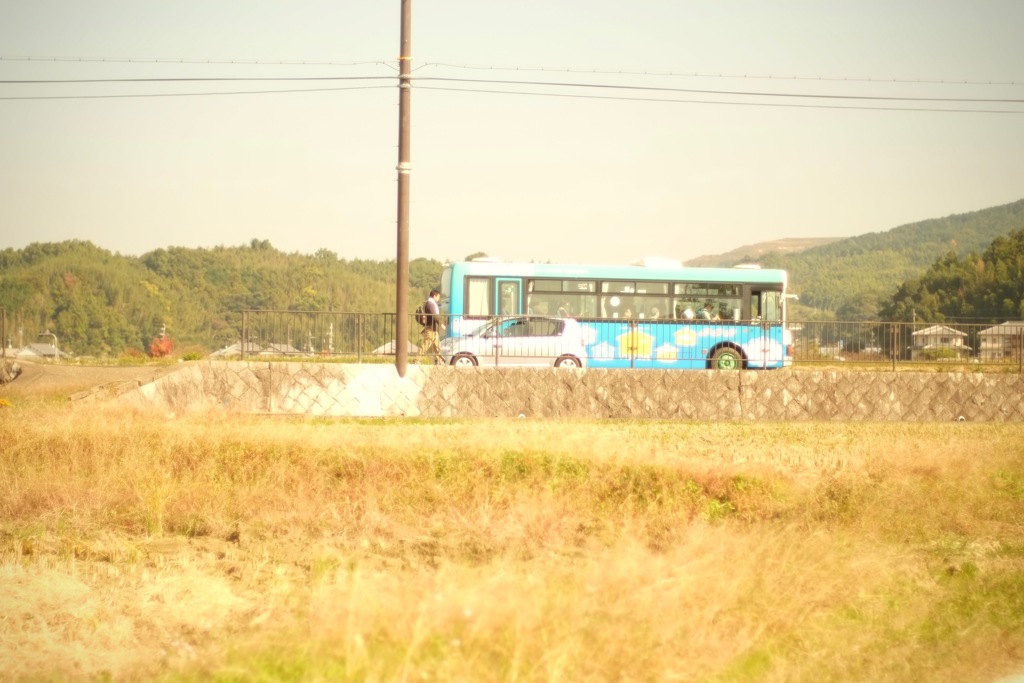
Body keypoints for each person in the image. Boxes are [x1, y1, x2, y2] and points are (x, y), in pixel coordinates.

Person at [417, 289, 444, 365]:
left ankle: (440, 361)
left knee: (437, 345)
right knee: (427, 344)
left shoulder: (429, 303)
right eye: (438, 297)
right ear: (434, 296)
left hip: (433, 328)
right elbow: (434, 315)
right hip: (430, 328)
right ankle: (417, 360)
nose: (438, 299)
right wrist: (440, 324)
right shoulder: (430, 304)